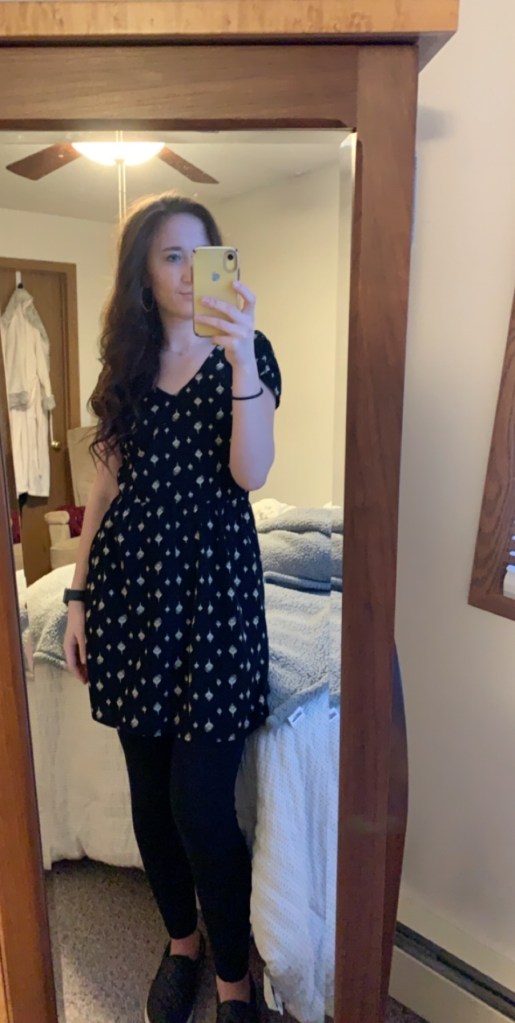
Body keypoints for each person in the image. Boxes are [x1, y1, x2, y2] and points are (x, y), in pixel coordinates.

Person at [63, 193, 281, 1023]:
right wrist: (77, 593)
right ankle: (180, 942)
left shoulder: (248, 353)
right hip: (131, 599)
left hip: (216, 602)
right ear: (144, 276)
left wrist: (240, 359)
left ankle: (234, 979)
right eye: (172, 257)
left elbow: (251, 473)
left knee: (201, 806)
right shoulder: (125, 365)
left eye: (203, 254)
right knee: (151, 800)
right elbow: (103, 487)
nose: (191, 273)